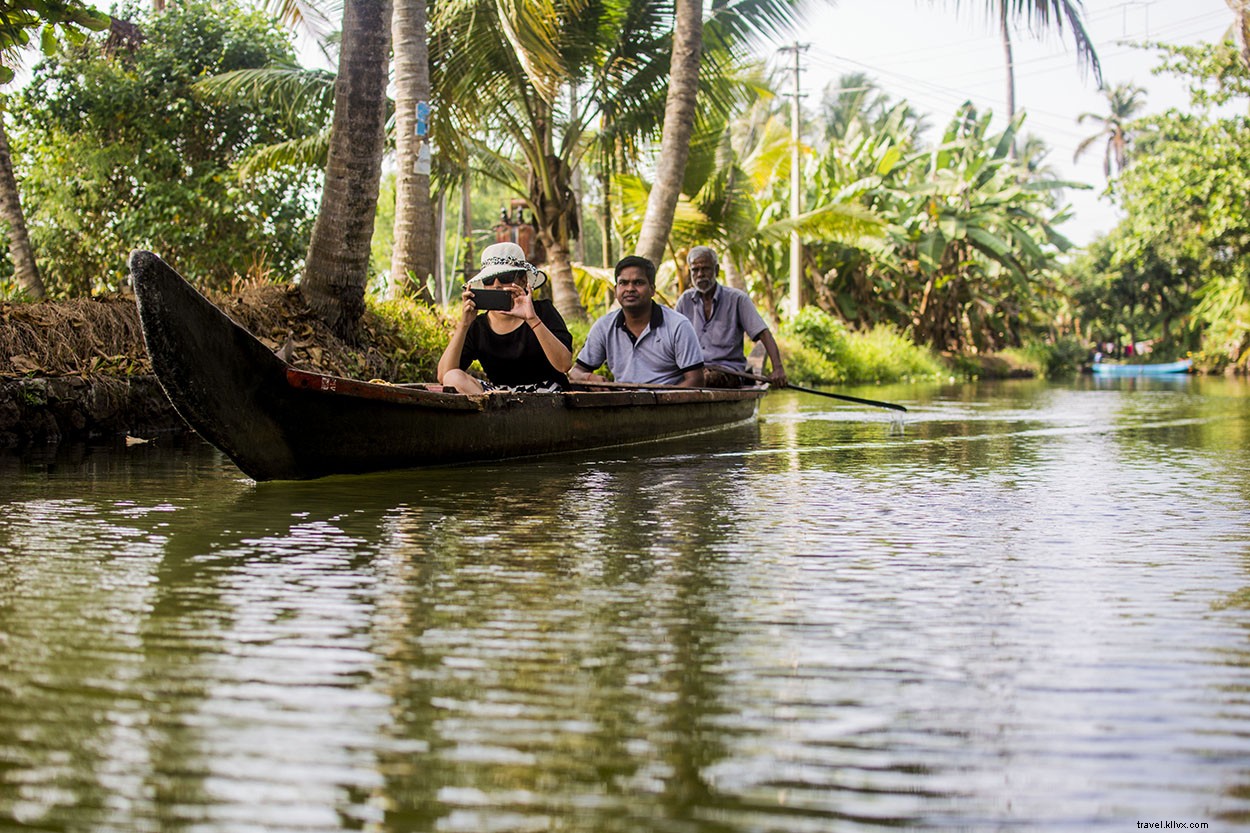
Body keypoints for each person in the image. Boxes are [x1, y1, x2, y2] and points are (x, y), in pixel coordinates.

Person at [437, 242, 573, 394]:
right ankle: (497, 407)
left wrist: (532, 319)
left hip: (547, 394)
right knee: (453, 377)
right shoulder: (479, 326)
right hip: (498, 398)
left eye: (505, 277)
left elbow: (564, 365)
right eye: (489, 279)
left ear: (523, 280)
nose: (497, 285)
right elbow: (444, 376)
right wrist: (464, 324)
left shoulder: (543, 311)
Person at [569, 255, 705, 387]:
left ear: (652, 290)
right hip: (622, 400)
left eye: (638, 283)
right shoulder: (604, 327)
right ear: (615, 290)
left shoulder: (678, 326)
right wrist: (590, 378)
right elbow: (576, 372)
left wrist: (660, 400)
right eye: (623, 283)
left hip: (667, 401)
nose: (630, 289)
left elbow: (696, 380)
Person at [675, 246, 787, 387]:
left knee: (704, 380)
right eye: (695, 270)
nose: (700, 274)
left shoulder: (737, 299)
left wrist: (778, 368)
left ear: (716, 270)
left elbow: (764, 334)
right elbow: (671, 338)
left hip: (727, 371)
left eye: (705, 269)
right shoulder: (685, 301)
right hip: (694, 371)